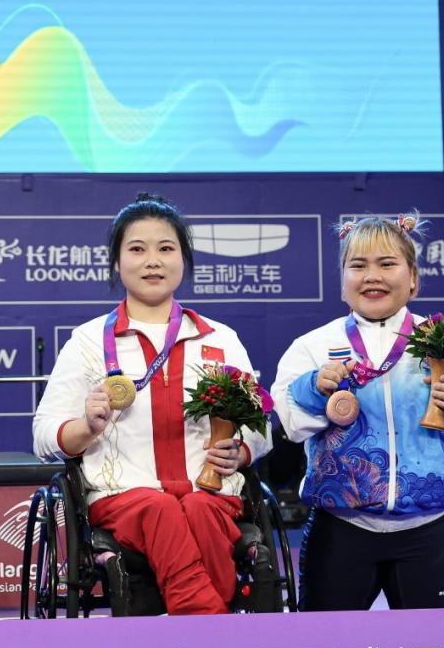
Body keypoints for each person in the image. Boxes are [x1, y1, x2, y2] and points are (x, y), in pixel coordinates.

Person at [33, 194, 270, 615]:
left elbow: (260, 425)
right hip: (124, 499)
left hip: (210, 494)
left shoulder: (219, 338)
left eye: (166, 248)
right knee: (159, 507)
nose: (152, 261)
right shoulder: (88, 342)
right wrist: (87, 426)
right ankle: (210, 623)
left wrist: (242, 449)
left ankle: (191, 628)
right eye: (137, 249)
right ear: (116, 262)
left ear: (184, 259)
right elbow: (44, 436)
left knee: (196, 508)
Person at [271, 213, 444, 611]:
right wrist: (315, 389)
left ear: (413, 278)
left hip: (428, 529)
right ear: (342, 281)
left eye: (387, 264)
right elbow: (292, 424)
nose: (371, 275)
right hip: (341, 528)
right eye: (358, 266)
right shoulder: (312, 346)